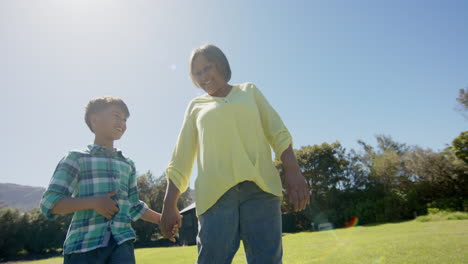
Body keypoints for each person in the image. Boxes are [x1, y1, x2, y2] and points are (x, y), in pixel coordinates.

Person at [161, 44, 309, 263]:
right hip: (215, 197)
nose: (203, 77)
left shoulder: (249, 91)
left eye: (207, 68)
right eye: (197, 73)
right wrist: (169, 204)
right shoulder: (195, 106)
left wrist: (293, 170)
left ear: (221, 65)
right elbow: (181, 157)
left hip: (261, 190)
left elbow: (277, 131)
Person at [40, 96, 179, 264]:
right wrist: (94, 202)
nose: (122, 122)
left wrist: (163, 219)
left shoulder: (127, 164)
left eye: (125, 119)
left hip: (122, 245)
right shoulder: (76, 158)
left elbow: (133, 206)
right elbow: (50, 203)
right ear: (95, 119)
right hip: (83, 248)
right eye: (116, 115)